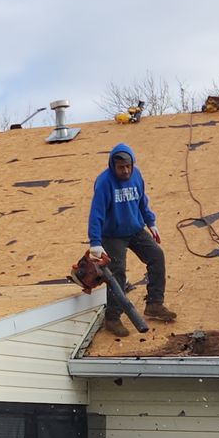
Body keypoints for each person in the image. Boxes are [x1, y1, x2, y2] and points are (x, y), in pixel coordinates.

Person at [87, 144, 175, 336]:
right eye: (121, 167)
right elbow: (96, 214)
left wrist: (151, 223)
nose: (125, 170)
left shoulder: (136, 176)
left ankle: (154, 304)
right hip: (112, 234)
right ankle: (113, 318)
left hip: (135, 229)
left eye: (128, 166)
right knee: (117, 273)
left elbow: (142, 201)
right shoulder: (104, 183)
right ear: (113, 166)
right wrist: (95, 242)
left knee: (156, 256)